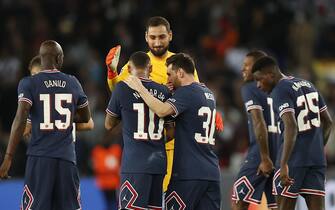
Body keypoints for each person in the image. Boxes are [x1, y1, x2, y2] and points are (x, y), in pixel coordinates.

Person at [105, 16, 205, 192]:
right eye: (153, 37)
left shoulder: (181, 62)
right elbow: (119, 92)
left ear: (170, 35)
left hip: (177, 143)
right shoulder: (137, 64)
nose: (157, 42)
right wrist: (112, 72)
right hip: (151, 145)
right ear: (146, 37)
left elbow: (196, 94)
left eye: (161, 37)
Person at [0, 40, 91, 210]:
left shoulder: (28, 83)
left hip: (40, 159)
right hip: (67, 160)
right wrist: (63, 116)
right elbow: (86, 117)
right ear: (60, 58)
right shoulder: (73, 82)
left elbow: (20, 119)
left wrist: (8, 157)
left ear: (41, 59)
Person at [125, 53, 221, 209]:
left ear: (181, 73)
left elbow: (162, 111)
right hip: (212, 173)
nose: (168, 79)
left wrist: (140, 89)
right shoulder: (208, 93)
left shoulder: (187, 92)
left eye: (169, 74)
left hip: (188, 174)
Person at [252, 56, 333, 210]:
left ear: (271, 75)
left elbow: (291, 126)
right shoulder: (308, 84)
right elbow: (328, 122)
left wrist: (283, 164)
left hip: (292, 161)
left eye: (259, 80)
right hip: (316, 160)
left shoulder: (279, 91)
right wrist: (317, 147)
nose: (258, 85)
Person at [105, 51, 174, 209]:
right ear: (150, 69)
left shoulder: (122, 88)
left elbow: (109, 125)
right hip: (159, 163)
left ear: (129, 68)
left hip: (135, 164)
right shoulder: (164, 92)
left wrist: (126, 114)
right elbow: (171, 131)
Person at [232, 51, 278, 210]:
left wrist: (264, 157)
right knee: (276, 205)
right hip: (280, 151)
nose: (242, 69)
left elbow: (259, 122)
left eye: (247, 65)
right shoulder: (278, 88)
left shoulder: (250, 87)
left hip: (260, 153)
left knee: (238, 199)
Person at [23, 55, 94, 140]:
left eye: (37, 75)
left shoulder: (64, 93)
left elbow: (89, 124)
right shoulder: (32, 97)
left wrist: (61, 124)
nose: (35, 80)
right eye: (32, 76)